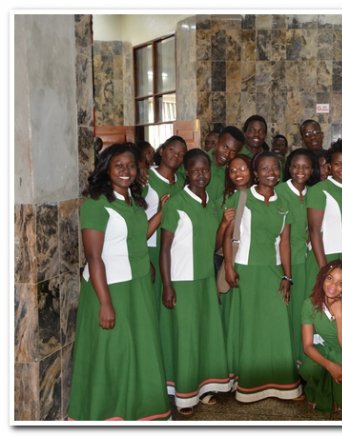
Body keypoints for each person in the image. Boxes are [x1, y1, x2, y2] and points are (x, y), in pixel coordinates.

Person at [68, 143, 170, 421]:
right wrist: (105, 304)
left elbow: (136, 238)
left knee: (137, 351)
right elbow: (94, 257)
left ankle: (138, 411)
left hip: (136, 287)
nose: (126, 171)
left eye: (131, 165)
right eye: (119, 166)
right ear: (106, 169)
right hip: (110, 289)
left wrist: (159, 214)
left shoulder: (132, 200)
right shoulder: (96, 204)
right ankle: (108, 415)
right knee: (113, 354)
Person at [223, 151, 302, 402]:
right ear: (255, 172)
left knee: (275, 326)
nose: (271, 173)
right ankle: (248, 385)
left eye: (275, 168)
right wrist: (228, 267)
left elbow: (285, 243)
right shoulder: (242, 196)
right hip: (245, 269)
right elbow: (228, 236)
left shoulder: (284, 202)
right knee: (250, 327)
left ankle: (282, 385)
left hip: (272, 271)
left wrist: (287, 276)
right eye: (265, 168)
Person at [159, 149, 233, 416]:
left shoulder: (210, 202)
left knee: (204, 334)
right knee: (187, 337)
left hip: (203, 277)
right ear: (186, 173)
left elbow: (211, 245)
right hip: (182, 279)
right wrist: (167, 285)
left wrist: (224, 225)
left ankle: (202, 389)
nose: (201, 174)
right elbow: (164, 249)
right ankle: (184, 396)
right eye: (195, 170)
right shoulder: (176, 203)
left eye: (205, 170)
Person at [299, 260, 342, 421]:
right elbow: (307, 346)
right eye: (329, 278)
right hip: (327, 348)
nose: (333, 286)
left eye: (340, 283)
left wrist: (339, 315)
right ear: (322, 278)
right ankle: (335, 396)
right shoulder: (309, 304)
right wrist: (329, 366)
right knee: (307, 368)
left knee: (338, 358)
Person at [276, 148, 321, 363]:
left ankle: (304, 358)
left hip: (307, 261)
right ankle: (289, 360)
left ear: (312, 170)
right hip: (286, 261)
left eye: (305, 167)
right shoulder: (279, 192)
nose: (300, 170)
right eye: (295, 166)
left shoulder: (314, 192)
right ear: (289, 168)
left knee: (304, 311)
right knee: (288, 312)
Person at [306, 140, 342, 292]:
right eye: (338, 164)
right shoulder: (319, 190)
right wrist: (324, 268)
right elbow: (313, 230)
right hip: (329, 255)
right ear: (330, 166)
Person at [144, 136, 187, 312]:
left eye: (181, 154)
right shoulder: (145, 178)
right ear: (162, 151)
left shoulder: (182, 183)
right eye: (172, 150)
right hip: (151, 247)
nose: (176, 155)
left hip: (173, 250)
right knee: (151, 302)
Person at [216, 154, 253, 335]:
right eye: (233, 170)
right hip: (234, 256)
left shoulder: (261, 194)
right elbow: (222, 239)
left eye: (243, 168)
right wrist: (224, 223)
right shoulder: (229, 197)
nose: (238, 173)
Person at [205, 125, 245, 209]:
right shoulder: (200, 162)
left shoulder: (232, 173)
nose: (227, 154)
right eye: (225, 147)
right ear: (217, 142)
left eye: (233, 151)